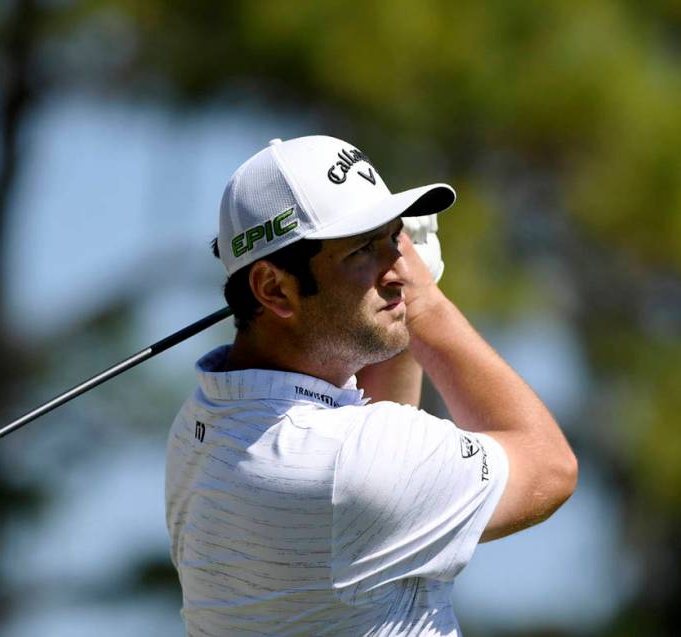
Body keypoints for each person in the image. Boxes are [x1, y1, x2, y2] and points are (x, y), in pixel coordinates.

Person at [164, 135, 578, 636]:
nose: (401, 270)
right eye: (363, 250)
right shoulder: (346, 466)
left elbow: (375, 446)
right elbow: (549, 467)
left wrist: (394, 304)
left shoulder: (201, 425)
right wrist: (427, 304)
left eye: (394, 238)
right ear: (274, 288)